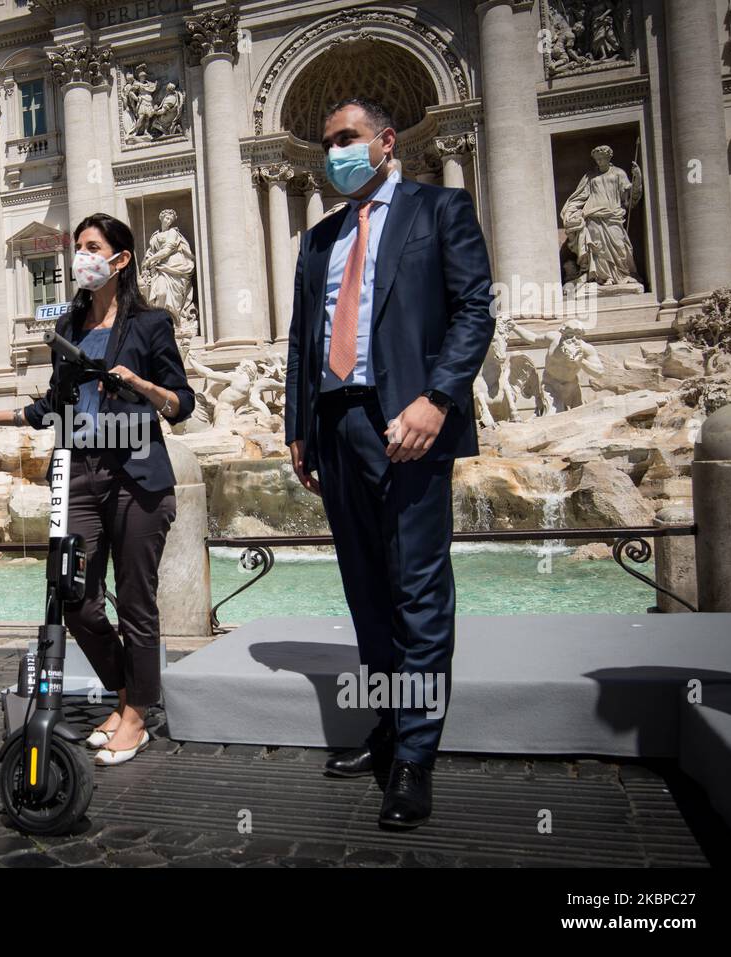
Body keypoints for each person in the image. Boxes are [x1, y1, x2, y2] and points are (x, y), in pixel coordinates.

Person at [285, 97, 494, 829]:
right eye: (326, 141)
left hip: (409, 420)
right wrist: (298, 426)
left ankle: (414, 755)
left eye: (346, 137)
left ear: (385, 141)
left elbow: (475, 309)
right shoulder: (319, 240)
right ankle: (387, 726)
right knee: (367, 591)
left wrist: (438, 399)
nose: (334, 151)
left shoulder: (440, 209)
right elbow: (301, 340)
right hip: (337, 424)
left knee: (418, 590)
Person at [0, 213, 194, 767]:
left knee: (137, 602)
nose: (80, 256)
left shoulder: (151, 324)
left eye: (92, 247)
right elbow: (52, 406)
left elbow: (182, 404)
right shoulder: (66, 328)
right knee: (79, 601)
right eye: (77, 247)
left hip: (137, 477)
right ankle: (127, 695)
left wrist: (142, 385)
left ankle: (137, 714)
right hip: (79, 476)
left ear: (121, 259)